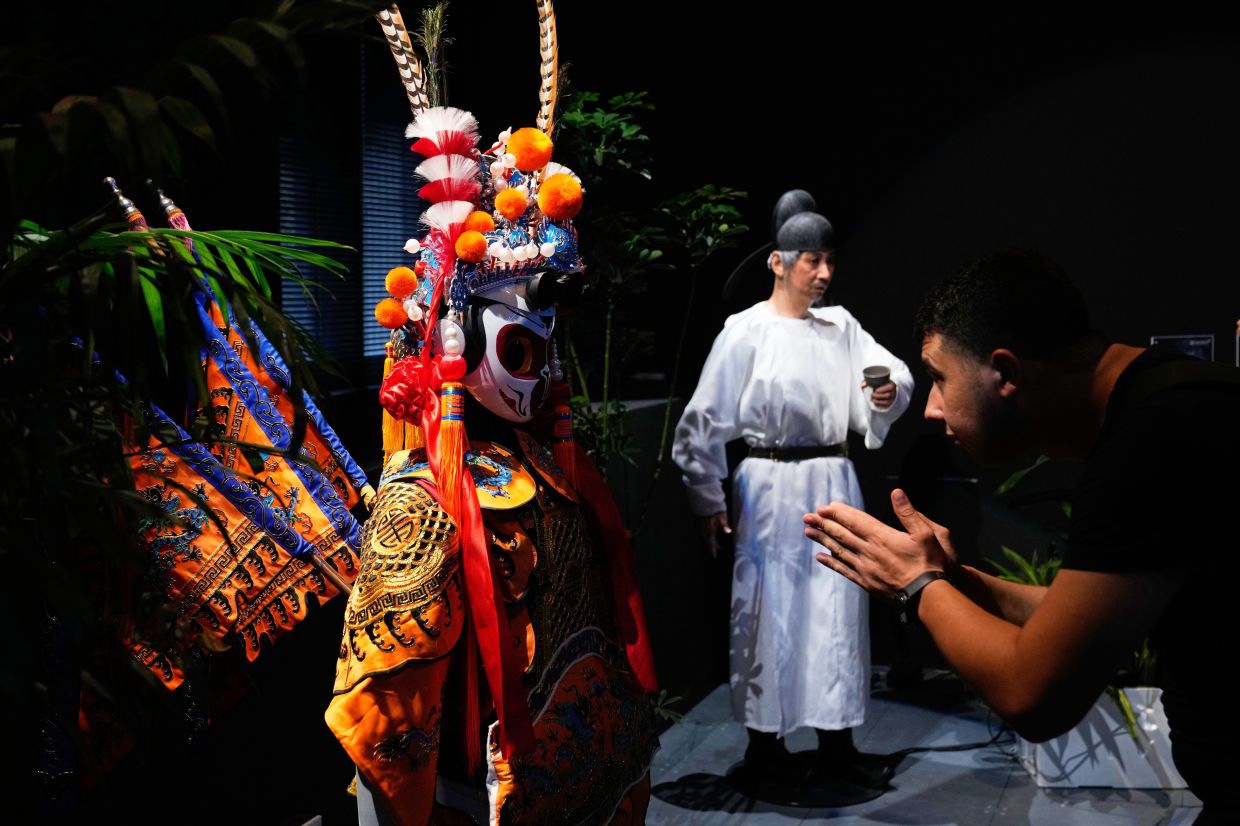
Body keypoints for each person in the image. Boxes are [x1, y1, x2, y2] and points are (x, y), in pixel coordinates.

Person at [324, 9, 659, 824]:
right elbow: (387, 719)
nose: (540, 362)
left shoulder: (553, 465)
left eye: (549, 342)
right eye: (518, 341)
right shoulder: (424, 500)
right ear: (453, 336)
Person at [804, 248, 1240, 823]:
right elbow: (1072, 619)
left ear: (1005, 373)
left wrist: (916, 587)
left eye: (939, 378)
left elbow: (1033, 697)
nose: (931, 409)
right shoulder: (1170, 404)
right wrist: (955, 579)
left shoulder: (1152, 441)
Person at [672, 192, 914, 790]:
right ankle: (766, 748)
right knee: (766, 610)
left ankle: (837, 744)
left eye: (830, 259)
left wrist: (882, 396)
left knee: (835, 609)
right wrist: (707, 496)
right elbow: (702, 421)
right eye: (812, 260)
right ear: (779, 263)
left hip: (833, 478)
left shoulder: (841, 327)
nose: (826, 273)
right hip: (769, 485)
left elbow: (887, 377)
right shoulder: (745, 330)